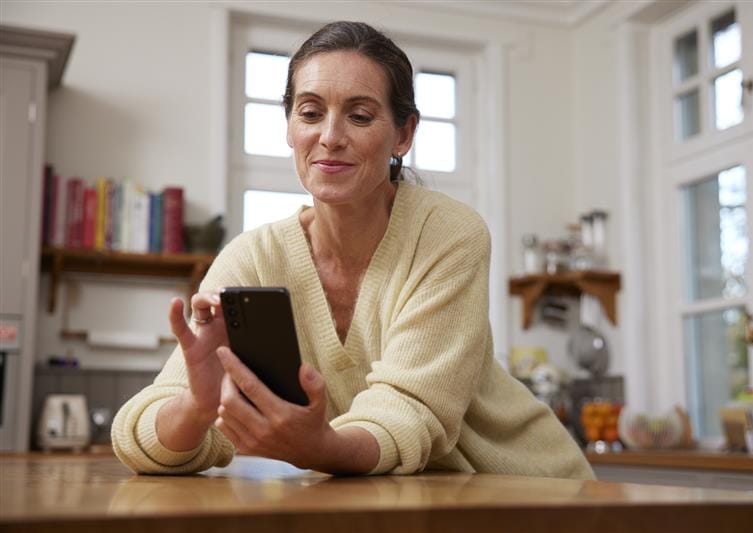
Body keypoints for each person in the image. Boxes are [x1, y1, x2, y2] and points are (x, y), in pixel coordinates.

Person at [111, 20, 594, 479]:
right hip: (405, 502)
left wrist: (319, 447)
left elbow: (408, 414)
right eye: (310, 112)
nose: (330, 137)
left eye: (359, 116)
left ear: (402, 135)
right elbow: (141, 437)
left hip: (531, 488)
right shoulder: (252, 259)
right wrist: (195, 409)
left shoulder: (447, 234)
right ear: (289, 128)